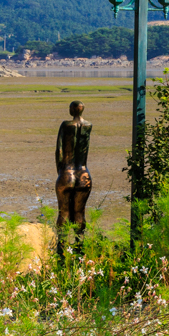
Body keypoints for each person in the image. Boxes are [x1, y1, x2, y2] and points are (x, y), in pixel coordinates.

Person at [55, 100, 94, 255]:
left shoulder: (66, 125)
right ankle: (79, 246)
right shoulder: (88, 126)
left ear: (72, 110)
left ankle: (62, 247)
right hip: (83, 173)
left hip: (67, 171)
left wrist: (61, 172)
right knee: (79, 213)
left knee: (63, 212)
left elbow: (59, 150)